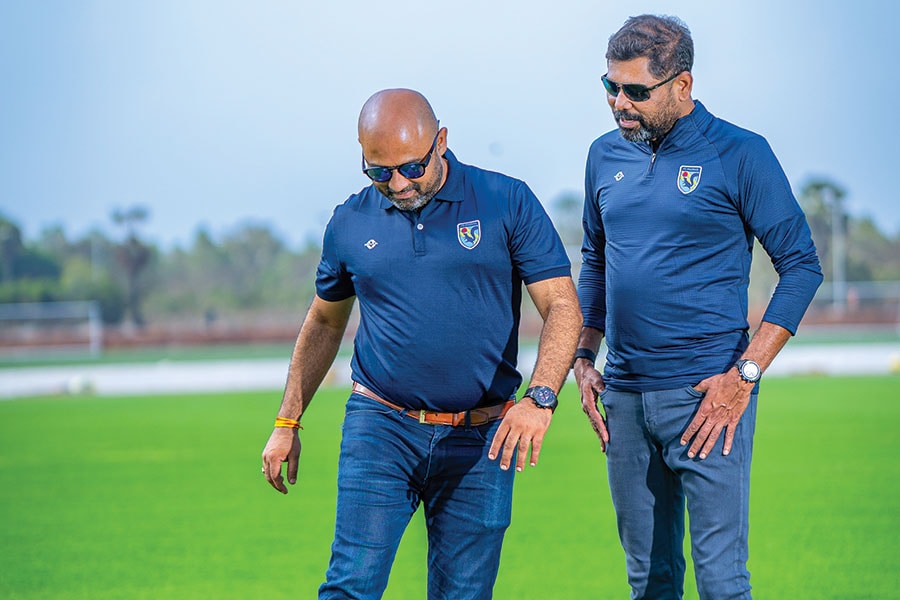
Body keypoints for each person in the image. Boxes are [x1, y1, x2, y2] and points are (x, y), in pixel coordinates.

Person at [261, 88, 581, 599]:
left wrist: (541, 398)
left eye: (411, 168)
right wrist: (286, 422)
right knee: (350, 586)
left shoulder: (505, 200)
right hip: (380, 426)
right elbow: (324, 322)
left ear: (442, 141)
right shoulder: (350, 221)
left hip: (483, 436)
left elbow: (563, 307)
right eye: (379, 172)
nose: (398, 184)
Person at [573, 15, 823, 600]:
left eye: (636, 91)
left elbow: (801, 266)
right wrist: (585, 356)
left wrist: (745, 376)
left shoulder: (739, 153)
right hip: (626, 400)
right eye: (610, 86)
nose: (619, 103)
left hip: (710, 398)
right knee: (650, 581)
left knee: (722, 583)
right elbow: (595, 262)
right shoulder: (602, 156)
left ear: (682, 85)